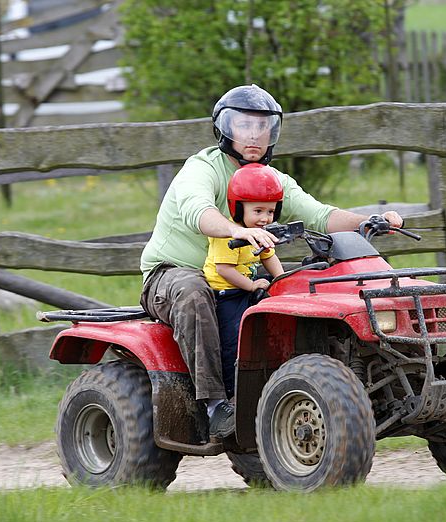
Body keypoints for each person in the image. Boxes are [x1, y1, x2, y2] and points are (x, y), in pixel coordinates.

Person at [139, 83, 403, 442]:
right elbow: (197, 212)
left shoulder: (270, 179)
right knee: (193, 292)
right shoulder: (201, 169)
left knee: (303, 285)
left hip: (237, 276)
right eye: (244, 125)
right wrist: (238, 230)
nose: (253, 136)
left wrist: (371, 220)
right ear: (224, 128)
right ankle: (216, 406)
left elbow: (319, 215)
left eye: (262, 127)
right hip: (171, 274)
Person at [204, 163, 286, 398]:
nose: (265, 218)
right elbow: (224, 270)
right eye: (258, 211)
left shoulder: (260, 233)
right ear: (238, 208)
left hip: (245, 288)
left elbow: (270, 257)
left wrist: (283, 281)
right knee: (234, 339)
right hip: (225, 293)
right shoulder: (230, 234)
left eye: (270, 212)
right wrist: (251, 286)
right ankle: (231, 394)